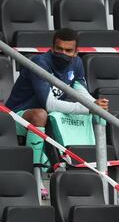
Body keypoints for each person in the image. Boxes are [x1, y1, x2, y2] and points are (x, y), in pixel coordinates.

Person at [6, 28, 109, 170]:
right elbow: (50, 105)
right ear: (52, 48)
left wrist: (95, 104)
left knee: (97, 114)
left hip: (46, 118)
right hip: (15, 116)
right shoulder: (40, 62)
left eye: (68, 50)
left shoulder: (77, 63)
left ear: (76, 52)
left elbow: (80, 91)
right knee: (40, 114)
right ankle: (34, 172)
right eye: (59, 49)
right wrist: (89, 108)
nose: (63, 54)